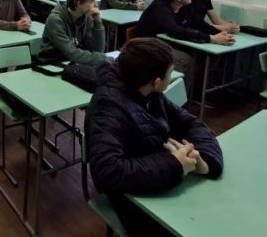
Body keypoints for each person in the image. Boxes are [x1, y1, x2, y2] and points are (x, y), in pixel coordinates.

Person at [86, 37, 223, 236]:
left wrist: (205, 162)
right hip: (132, 198)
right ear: (157, 82)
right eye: (170, 72)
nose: (172, 76)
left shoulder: (151, 94)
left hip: (157, 179)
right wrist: (175, 164)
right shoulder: (109, 107)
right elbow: (107, 171)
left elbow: (192, 123)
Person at [135, 0, 233, 94]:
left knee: (205, 55)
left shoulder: (184, 7)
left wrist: (220, 34)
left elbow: (201, 24)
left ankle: (197, 92)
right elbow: (174, 31)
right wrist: (211, 38)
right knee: (186, 60)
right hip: (148, 46)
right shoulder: (159, 7)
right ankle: (179, 97)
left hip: (165, 43)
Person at [37, 0, 105, 65]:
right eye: (92, 1)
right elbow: (72, 53)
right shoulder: (55, 20)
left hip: (73, 63)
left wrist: (98, 23)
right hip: (51, 64)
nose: (95, 5)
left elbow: (98, 50)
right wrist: (103, 58)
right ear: (79, 3)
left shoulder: (87, 17)